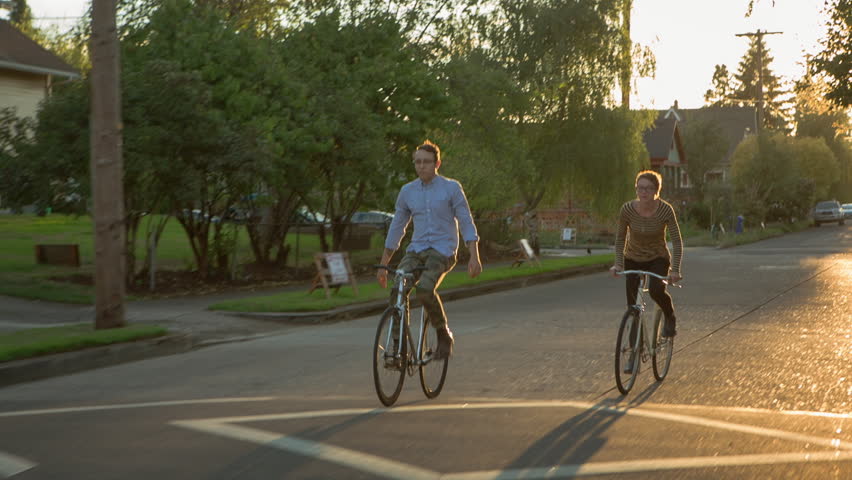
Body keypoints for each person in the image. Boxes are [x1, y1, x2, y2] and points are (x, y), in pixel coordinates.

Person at [378, 140, 482, 360]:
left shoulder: (451, 188)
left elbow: (465, 220)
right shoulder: (407, 191)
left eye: (426, 162)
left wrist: (474, 255)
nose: (421, 166)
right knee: (398, 288)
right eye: (417, 162)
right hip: (416, 250)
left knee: (424, 289)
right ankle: (398, 348)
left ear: (437, 164)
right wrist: (385, 262)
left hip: (443, 250)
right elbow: (398, 226)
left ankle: (443, 334)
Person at [610, 170, 683, 339]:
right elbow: (620, 238)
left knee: (656, 291)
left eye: (649, 188)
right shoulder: (627, 210)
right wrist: (619, 263)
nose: (644, 192)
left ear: (657, 190)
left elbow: (677, 241)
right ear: (636, 190)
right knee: (633, 308)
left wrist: (675, 270)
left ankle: (670, 316)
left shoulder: (665, 210)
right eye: (640, 188)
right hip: (633, 258)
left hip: (658, 258)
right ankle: (633, 353)